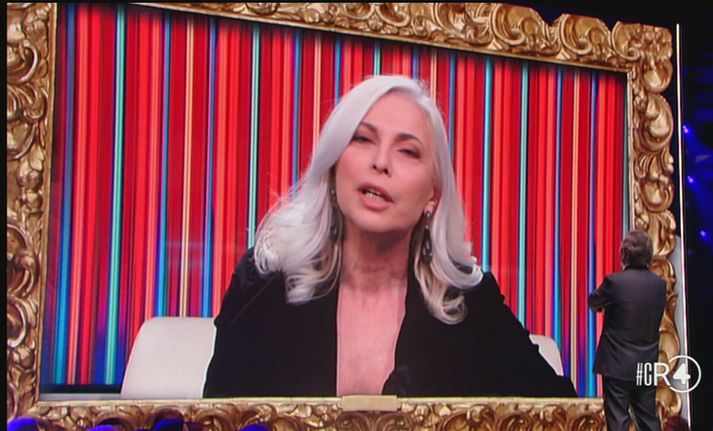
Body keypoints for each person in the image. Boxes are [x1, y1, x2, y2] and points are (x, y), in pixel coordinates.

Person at [203, 75, 576, 398]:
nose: (380, 162)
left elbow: (562, 414)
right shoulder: (263, 285)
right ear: (333, 167)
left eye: (408, 151)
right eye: (363, 139)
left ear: (433, 195)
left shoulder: (467, 304)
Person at [589, 229, 667, 430]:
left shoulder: (615, 282)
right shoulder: (659, 285)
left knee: (618, 419)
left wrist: (601, 307)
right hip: (646, 364)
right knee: (648, 418)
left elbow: (593, 301)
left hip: (617, 364)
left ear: (624, 254)